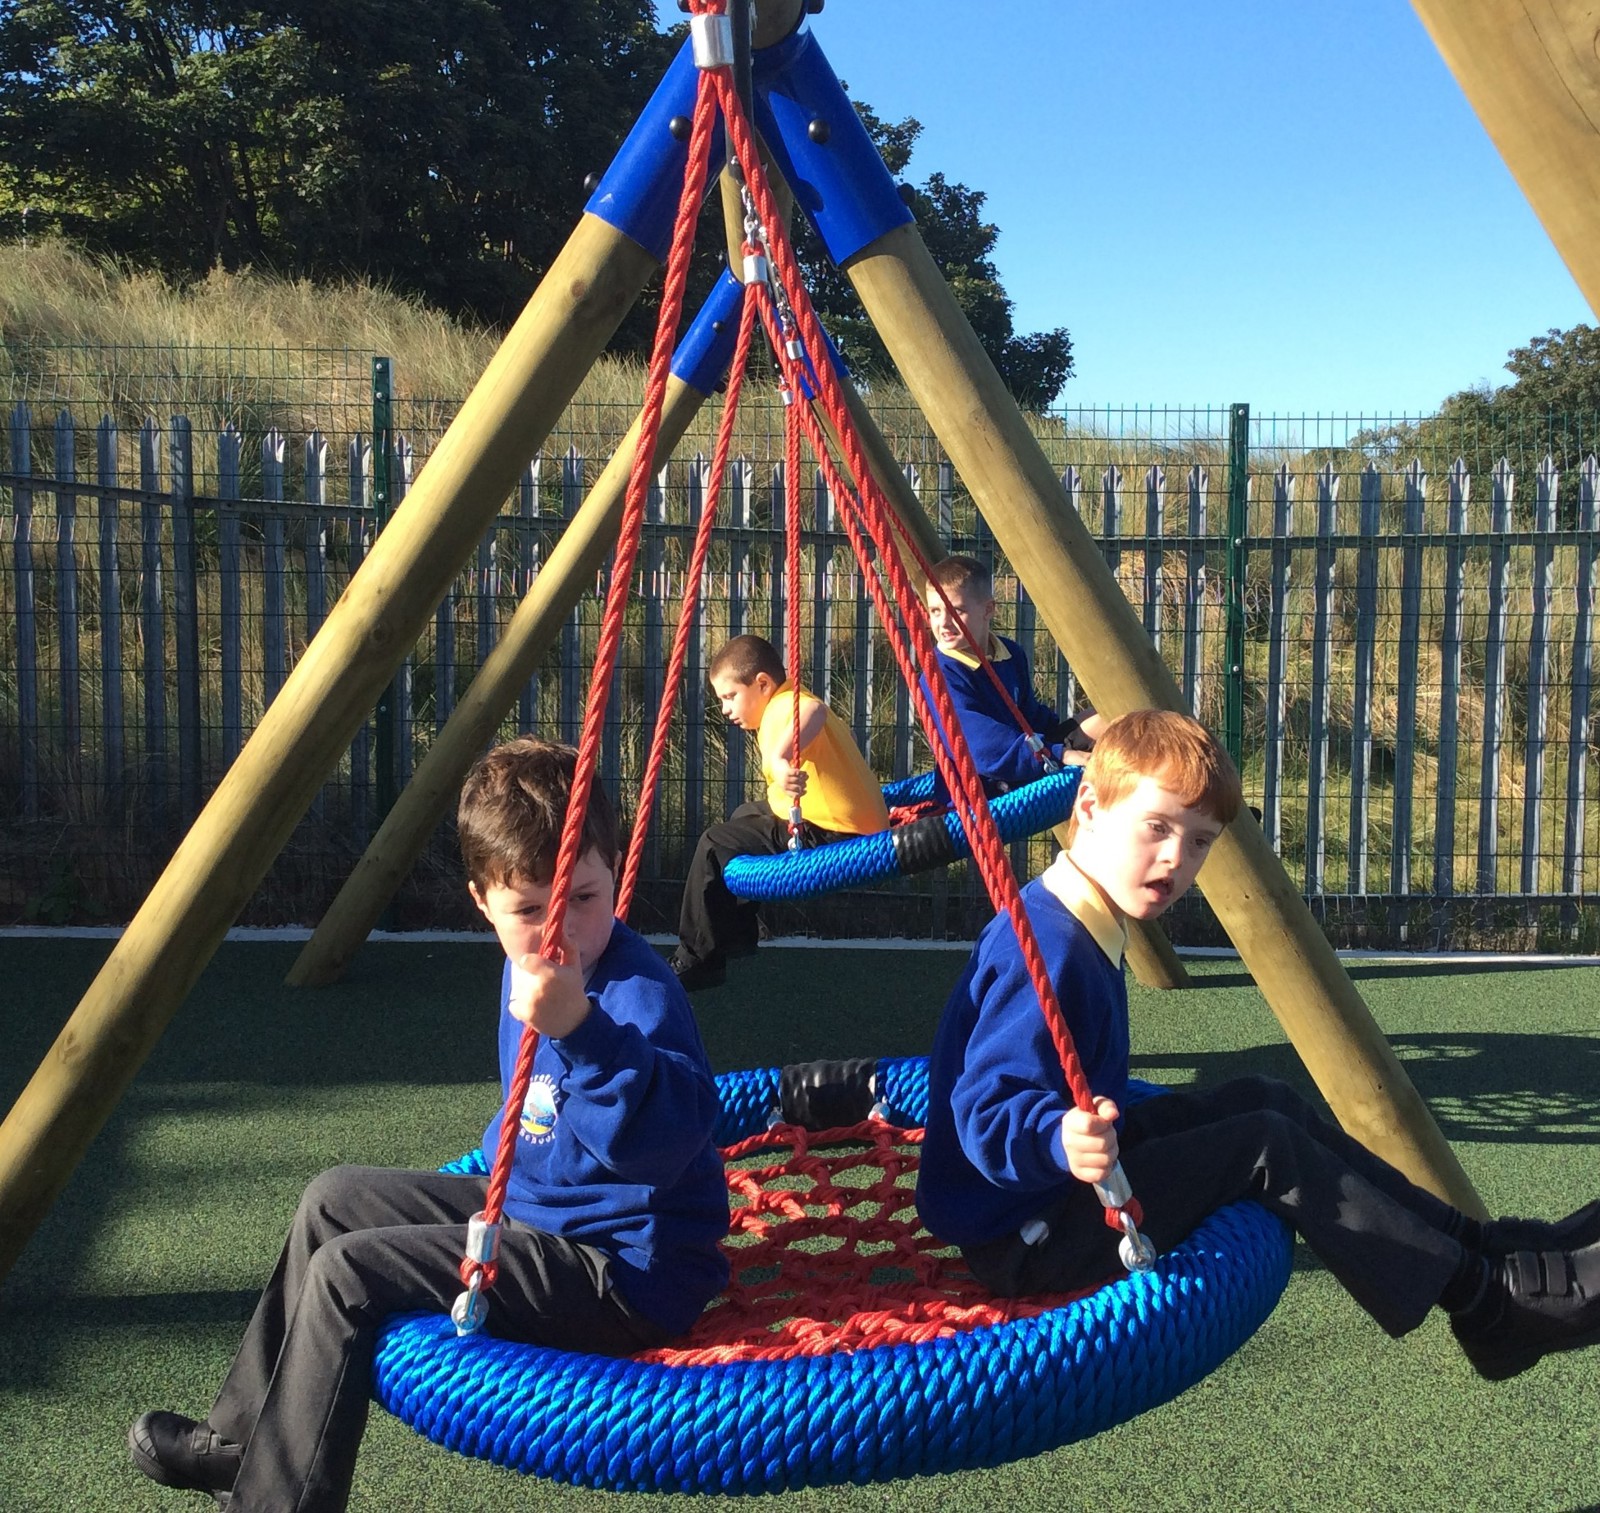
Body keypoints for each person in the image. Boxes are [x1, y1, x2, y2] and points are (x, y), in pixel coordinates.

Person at [128, 738, 730, 1510]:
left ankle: (277, 1501)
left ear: (613, 869)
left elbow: (668, 1142)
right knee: (331, 1198)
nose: (561, 935)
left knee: (350, 1273)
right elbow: (537, 1120)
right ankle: (240, 1436)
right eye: (530, 910)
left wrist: (582, 1028)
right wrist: (492, 1174)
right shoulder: (527, 966)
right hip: (540, 1215)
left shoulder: (633, 994)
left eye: (584, 897)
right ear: (482, 900)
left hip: (623, 1268)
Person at [916, 708, 1600, 1383]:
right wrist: (1056, 1136)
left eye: (1199, 841)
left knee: (1263, 1097)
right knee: (1262, 1142)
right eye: (1157, 827)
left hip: (1059, 1186)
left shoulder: (1079, 914)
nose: (1175, 859)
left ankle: (1483, 1244)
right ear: (1089, 806)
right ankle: (1484, 1302)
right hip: (1028, 1231)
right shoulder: (1050, 947)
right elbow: (984, 1109)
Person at [670, 634, 888, 991]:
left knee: (713, 843)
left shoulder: (785, 706)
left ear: (761, 684)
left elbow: (812, 712)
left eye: (730, 696)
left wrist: (781, 755)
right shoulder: (782, 703)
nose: (725, 709)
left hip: (833, 832)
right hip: (842, 822)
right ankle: (738, 932)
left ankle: (695, 959)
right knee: (744, 815)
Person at [923, 555, 1105, 800]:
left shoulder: (1010, 654)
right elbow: (978, 746)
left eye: (957, 611)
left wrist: (1063, 735)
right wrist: (1059, 753)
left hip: (1028, 757)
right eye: (935, 611)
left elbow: (1027, 715)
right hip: (983, 787)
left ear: (988, 609)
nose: (943, 623)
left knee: (1109, 719)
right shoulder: (940, 674)